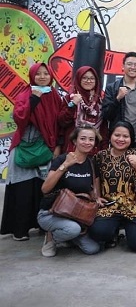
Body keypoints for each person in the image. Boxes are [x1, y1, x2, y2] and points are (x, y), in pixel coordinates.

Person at [1, 63, 62, 241]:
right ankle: (19, 229)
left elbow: (59, 121)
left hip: (45, 148)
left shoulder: (54, 95)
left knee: (43, 189)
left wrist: (57, 145)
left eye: (46, 74)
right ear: (32, 76)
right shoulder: (25, 95)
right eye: (38, 74)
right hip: (24, 150)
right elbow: (19, 118)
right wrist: (33, 99)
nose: (42, 77)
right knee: (23, 190)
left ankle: (43, 226)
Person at [88, 121, 136, 253]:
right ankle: (113, 232)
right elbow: (96, 178)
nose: (121, 139)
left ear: (131, 139)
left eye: (125, 136)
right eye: (117, 135)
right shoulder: (101, 156)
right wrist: (96, 197)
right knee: (98, 232)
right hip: (110, 207)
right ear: (110, 136)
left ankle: (134, 230)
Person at [38, 126, 102, 257]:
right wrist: (65, 165)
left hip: (77, 214)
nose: (87, 142)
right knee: (73, 229)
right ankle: (51, 237)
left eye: (91, 139)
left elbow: (93, 190)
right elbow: (45, 188)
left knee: (93, 249)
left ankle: (70, 236)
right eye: (83, 138)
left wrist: (97, 198)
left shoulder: (91, 164)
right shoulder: (62, 159)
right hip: (52, 212)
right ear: (74, 141)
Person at [102, 52, 136, 150]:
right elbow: (106, 115)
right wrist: (117, 99)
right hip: (119, 140)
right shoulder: (112, 88)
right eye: (129, 64)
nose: (133, 67)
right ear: (123, 66)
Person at [58, 66, 108, 155]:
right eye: (84, 78)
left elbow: (103, 129)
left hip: (94, 149)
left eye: (92, 78)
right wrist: (73, 104)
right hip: (72, 147)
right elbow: (62, 121)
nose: (88, 81)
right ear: (78, 79)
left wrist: (104, 149)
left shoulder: (100, 101)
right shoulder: (69, 98)